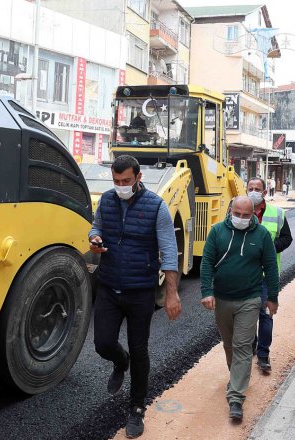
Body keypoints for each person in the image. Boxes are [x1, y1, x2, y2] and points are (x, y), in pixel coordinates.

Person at [89, 155, 182, 439]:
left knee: (139, 349)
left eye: (126, 181)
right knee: (102, 343)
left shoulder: (156, 207)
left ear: (138, 178)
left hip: (140, 290)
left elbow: (168, 249)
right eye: (116, 181)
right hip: (108, 285)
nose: (121, 186)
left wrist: (172, 293)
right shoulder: (106, 200)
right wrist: (94, 239)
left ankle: (137, 408)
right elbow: (97, 227)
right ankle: (120, 361)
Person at [200, 196, 280, 421]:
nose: (242, 219)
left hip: (250, 298)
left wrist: (272, 297)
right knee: (229, 344)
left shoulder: (262, 235)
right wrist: (207, 291)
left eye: (247, 215)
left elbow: (271, 267)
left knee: (242, 346)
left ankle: (235, 397)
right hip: (223, 299)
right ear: (230, 211)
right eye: (238, 214)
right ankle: (236, 376)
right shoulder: (217, 232)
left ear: (253, 213)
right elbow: (206, 262)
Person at [246, 178, 293, 372]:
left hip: (267, 275)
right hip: (245, 274)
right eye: (251, 189)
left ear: (265, 192)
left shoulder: (277, 213)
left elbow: (287, 238)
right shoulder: (238, 210)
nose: (254, 192)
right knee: (247, 314)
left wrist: (271, 248)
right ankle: (251, 345)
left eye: (258, 189)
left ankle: (263, 355)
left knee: (265, 315)